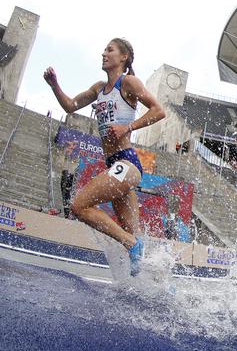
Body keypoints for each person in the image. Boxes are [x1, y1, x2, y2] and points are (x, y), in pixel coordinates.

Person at [44, 38, 165, 275]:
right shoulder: (98, 89)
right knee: (133, 233)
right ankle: (159, 280)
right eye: (104, 50)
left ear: (124, 57)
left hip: (127, 162)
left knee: (79, 205)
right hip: (113, 164)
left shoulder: (127, 82)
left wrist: (127, 127)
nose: (104, 53)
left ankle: (130, 244)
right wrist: (54, 85)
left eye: (110, 50)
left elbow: (159, 111)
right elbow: (70, 106)